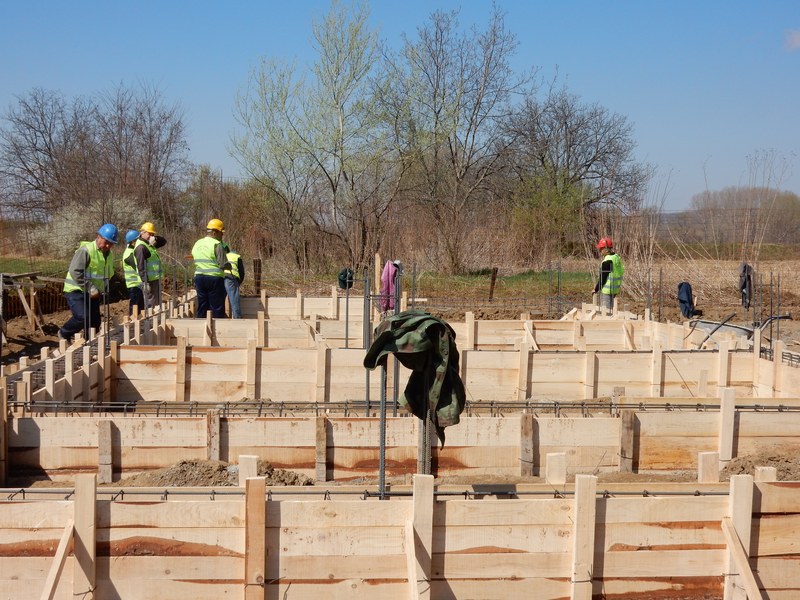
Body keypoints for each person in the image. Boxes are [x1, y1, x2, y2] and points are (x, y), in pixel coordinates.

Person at [59, 223, 118, 342]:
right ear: (98, 237)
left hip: (93, 292)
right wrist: (90, 288)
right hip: (76, 290)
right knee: (83, 317)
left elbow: (108, 274)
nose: (107, 245)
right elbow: (75, 271)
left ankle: (87, 344)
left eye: (111, 243)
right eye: (106, 241)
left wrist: (103, 289)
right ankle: (64, 333)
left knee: (95, 323)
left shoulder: (109, 255)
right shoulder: (86, 250)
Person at [191, 218, 228, 318]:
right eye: (221, 232)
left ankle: (200, 329)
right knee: (217, 307)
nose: (222, 235)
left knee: (202, 305)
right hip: (214, 279)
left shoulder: (197, 243)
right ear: (215, 232)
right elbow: (222, 264)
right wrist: (229, 266)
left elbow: (194, 256)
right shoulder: (217, 244)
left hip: (199, 278)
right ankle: (218, 330)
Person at [134, 222, 167, 311]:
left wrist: (154, 239)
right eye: (149, 234)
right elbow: (141, 266)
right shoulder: (141, 247)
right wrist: (145, 282)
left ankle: (157, 321)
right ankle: (151, 323)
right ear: (142, 233)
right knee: (151, 306)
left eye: (152, 234)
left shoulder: (149, 244)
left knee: (156, 305)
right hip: (148, 281)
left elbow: (163, 241)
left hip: (154, 279)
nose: (151, 236)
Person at [594, 236, 624, 311]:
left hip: (607, 291)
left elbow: (603, 278)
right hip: (614, 290)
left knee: (606, 312)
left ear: (606, 249)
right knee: (611, 310)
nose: (600, 250)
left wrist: (596, 289)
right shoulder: (616, 257)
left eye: (601, 248)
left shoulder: (607, 261)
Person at [121, 229, 144, 315]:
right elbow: (138, 266)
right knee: (135, 307)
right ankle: (133, 325)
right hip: (134, 285)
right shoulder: (129, 254)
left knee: (140, 307)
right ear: (133, 242)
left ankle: (138, 324)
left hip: (137, 285)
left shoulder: (133, 251)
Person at [222, 243, 245, 319]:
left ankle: (219, 316)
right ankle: (237, 317)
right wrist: (239, 282)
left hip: (221, 277)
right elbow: (241, 272)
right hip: (231, 278)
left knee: (220, 298)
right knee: (234, 297)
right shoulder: (237, 257)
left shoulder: (225, 256)